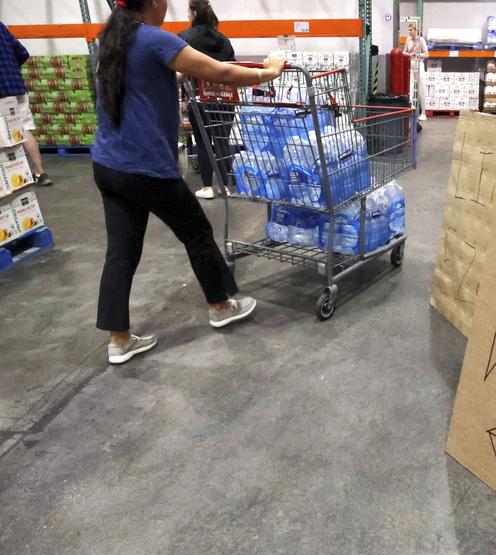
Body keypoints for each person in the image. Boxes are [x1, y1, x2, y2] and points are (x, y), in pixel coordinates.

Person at [92, 0, 284, 364]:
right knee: (196, 232)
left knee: (121, 250)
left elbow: (139, 82)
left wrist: (173, 75)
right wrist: (268, 72)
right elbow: (222, 73)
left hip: (108, 165)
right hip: (145, 167)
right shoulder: (154, 39)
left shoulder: (111, 39)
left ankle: (119, 340)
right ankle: (221, 305)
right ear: (151, 3)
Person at [178, 0, 235, 200]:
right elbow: (233, 67)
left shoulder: (184, 38)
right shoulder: (224, 40)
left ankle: (207, 187)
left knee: (203, 142)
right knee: (222, 141)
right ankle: (226, 186)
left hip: (199, 99)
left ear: (193, 13)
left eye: (188, 12)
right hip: (225, 99)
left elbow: (179, 68)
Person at [0, 22, 52, 186]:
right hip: (16, 86)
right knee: (24, 129)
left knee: (3, 135)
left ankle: (10, 178)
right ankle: (40, 173)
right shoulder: (1, 27)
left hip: (1, 91)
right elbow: (22, 53)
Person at [403, 22, 428, 122]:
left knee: (421, 88)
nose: (409, 32)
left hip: (419, 64)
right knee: (410, 87)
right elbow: (404, 51)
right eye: (408, 30)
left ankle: (423, 112)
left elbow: (426, 54)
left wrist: (417, 55)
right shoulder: (408, 40)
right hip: (411, 64)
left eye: (411, 30)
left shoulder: (421, 40)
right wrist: (408, 54)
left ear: (415, 30)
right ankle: (411, 110)